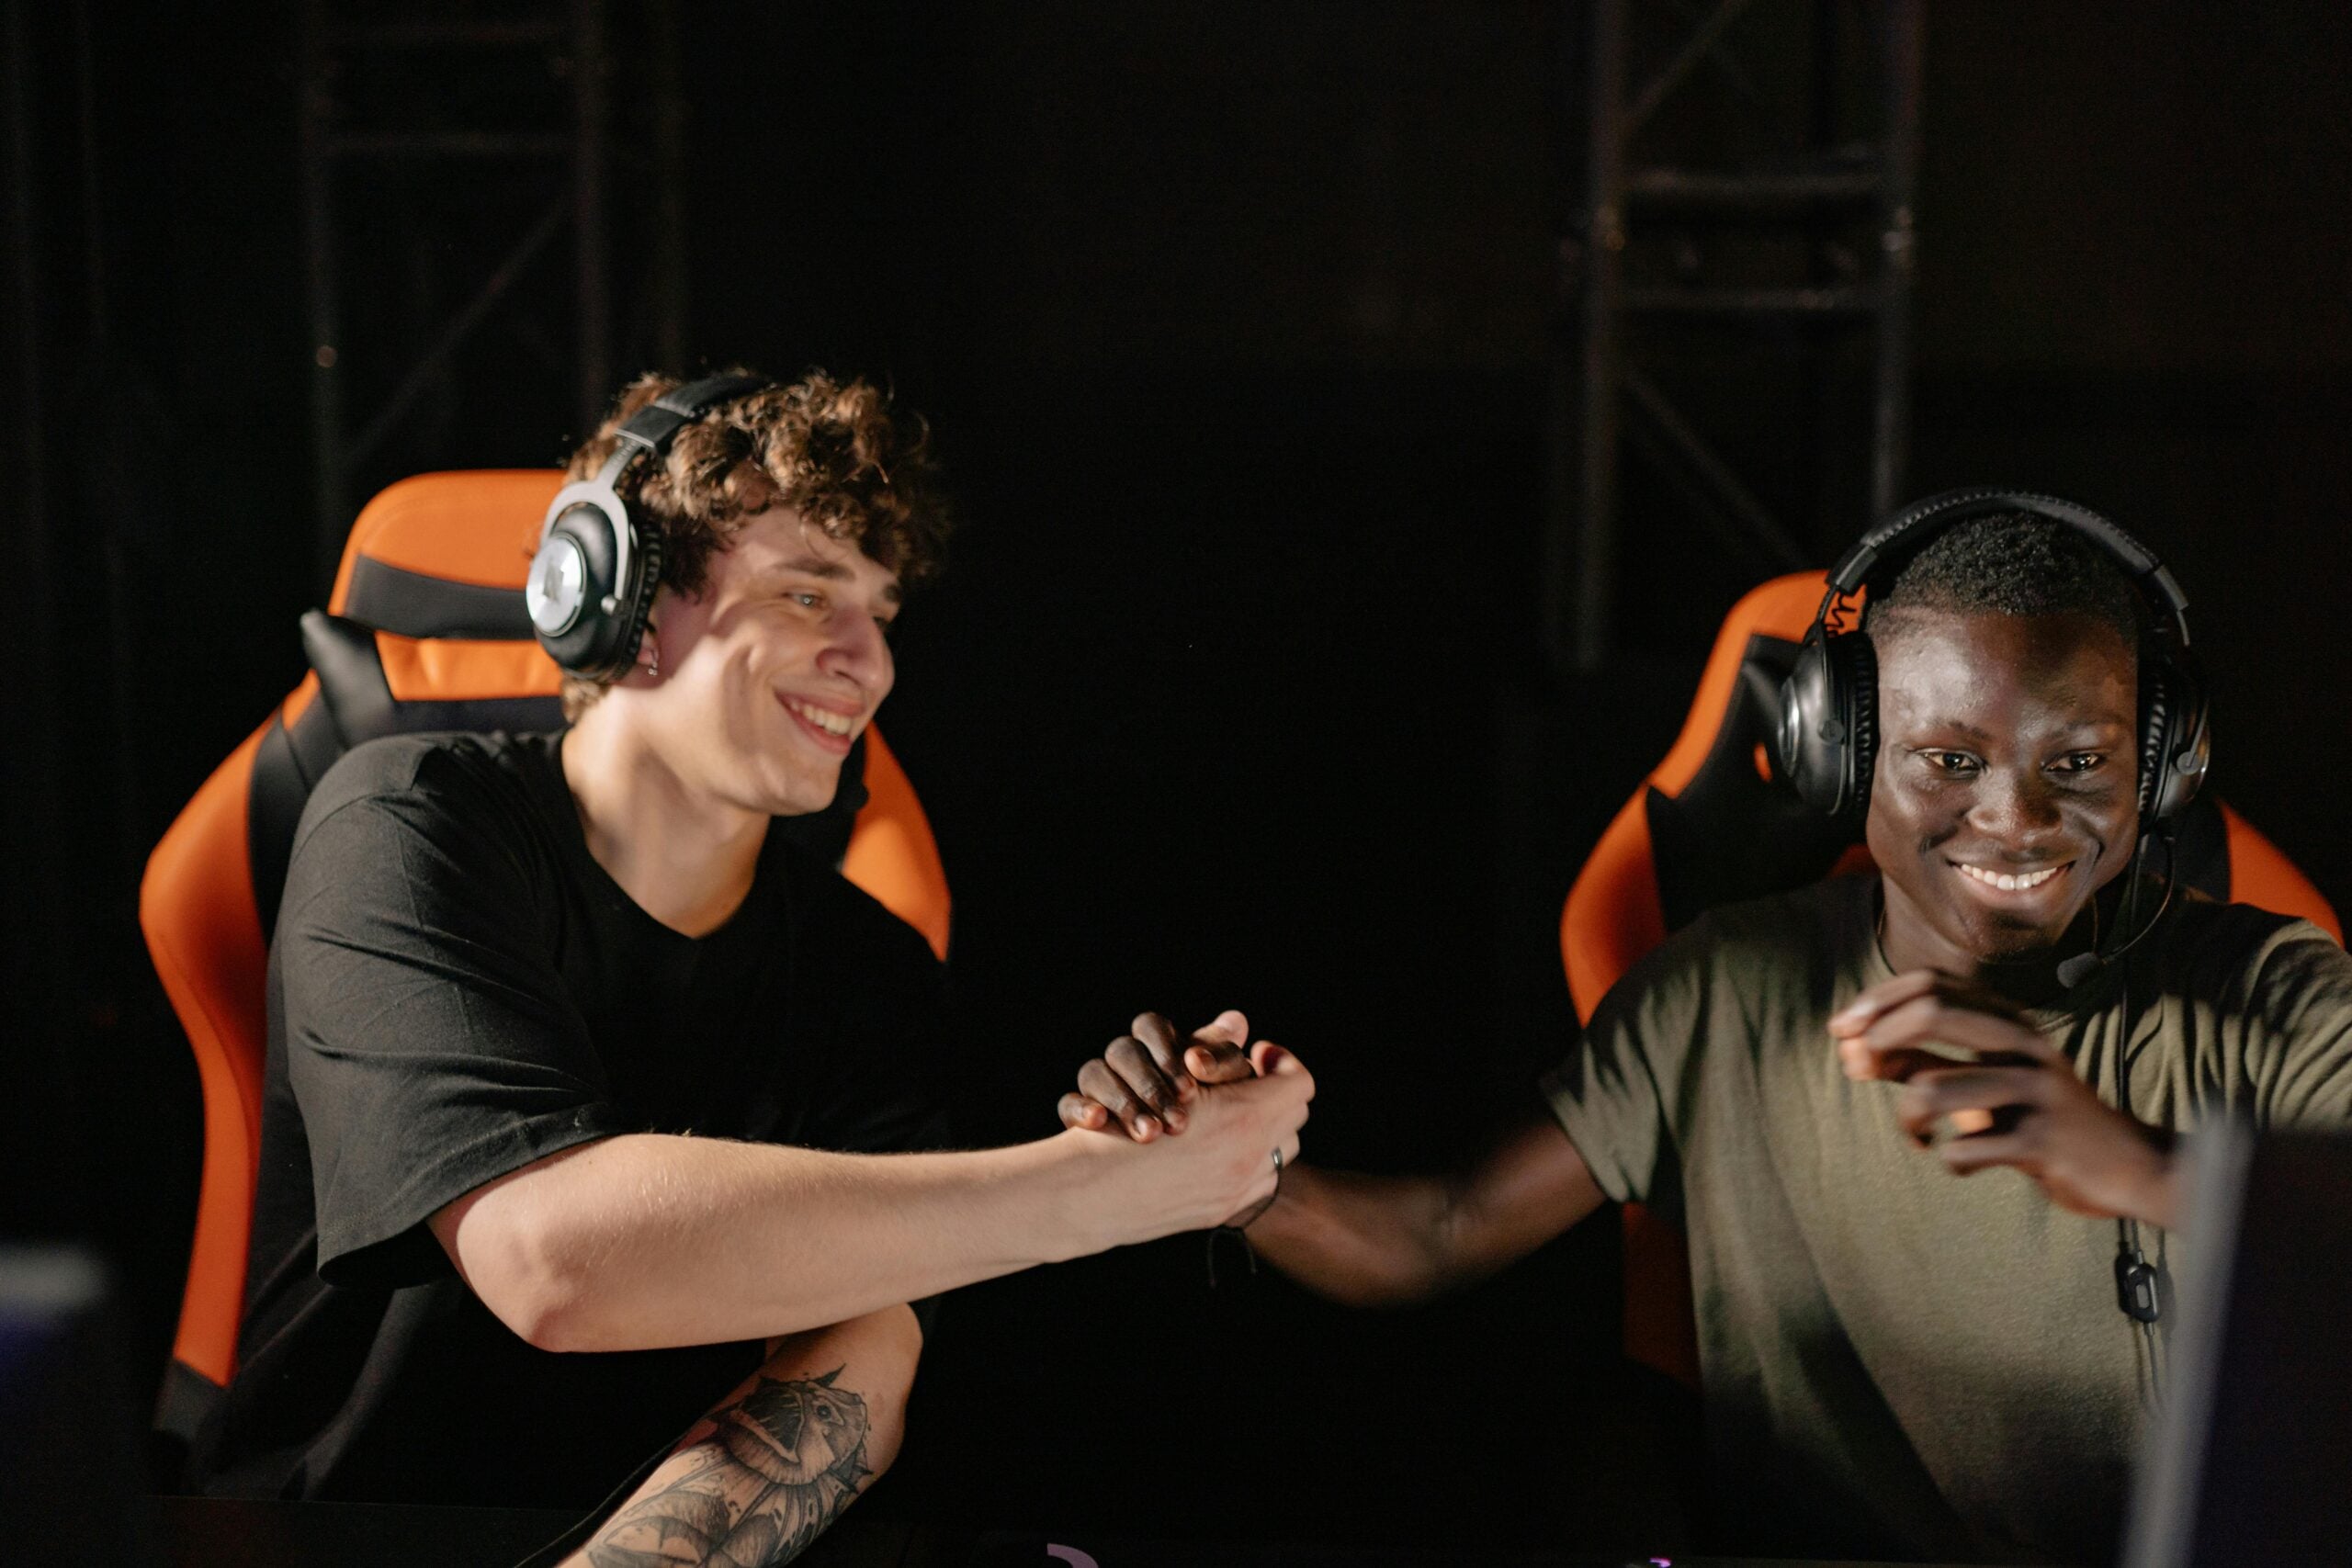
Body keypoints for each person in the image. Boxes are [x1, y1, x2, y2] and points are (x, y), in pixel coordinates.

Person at [1059, 504, 2352, 1565]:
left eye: (2079, 762)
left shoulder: (2276, 992)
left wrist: (2139, 1169)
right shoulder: (1725, 991)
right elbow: (1438, 1232)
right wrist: (1227, 1171)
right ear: (1843, 759)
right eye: (1948, 760)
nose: (2014, 817)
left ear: (2162, 765)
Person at [187, 370, 1312, 1568]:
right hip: (348, 1529)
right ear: (618, 603)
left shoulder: (866, 972)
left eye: (879, 612)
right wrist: (1112, 1193)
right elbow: (551, 1262)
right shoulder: (410, 827)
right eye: (807, 591)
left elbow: (860, 1362)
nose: (867, 663)